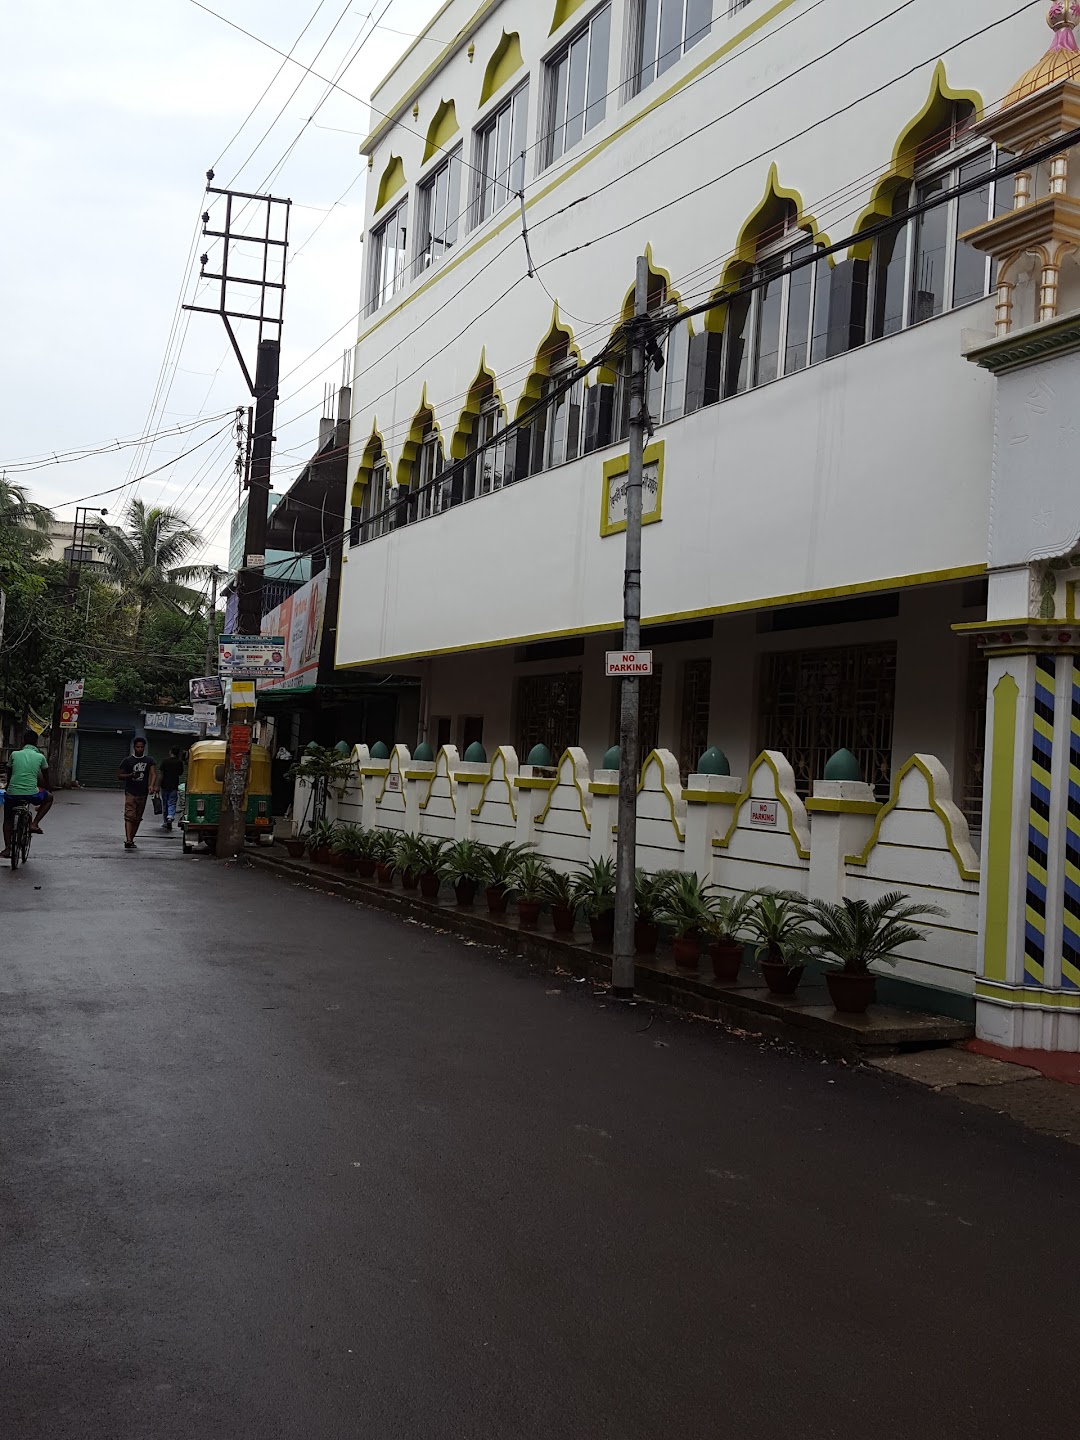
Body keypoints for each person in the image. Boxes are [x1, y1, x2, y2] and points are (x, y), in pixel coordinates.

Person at [1, 731, 53, 859]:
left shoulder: (14, 754)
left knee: (7, 819)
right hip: (32, 794)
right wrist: (47, 788)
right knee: (49, 798)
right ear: (36, 743)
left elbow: (10, 772)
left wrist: (8, 788)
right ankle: (34, 824)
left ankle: (8, 848)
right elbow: (46, 778)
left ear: (23, 742)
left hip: (12, 793)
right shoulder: (40, 757)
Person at [117, 737, 157, 851]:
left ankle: (131, 838)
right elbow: (119, 775)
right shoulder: (127, 761)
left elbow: (153, 773)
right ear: (134, 747)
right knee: (129, 816)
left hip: (143, 793)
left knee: (137, 818)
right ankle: (128, 840)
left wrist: (151, 785)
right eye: (138, 747)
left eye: (142, 747)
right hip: (130, 792)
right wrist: (130, 775)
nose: (140, 749)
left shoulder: (149, 760)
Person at [158, 747, 184, 831]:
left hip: (164, 785)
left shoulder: (165, 761)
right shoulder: (179, 762)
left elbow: (161, 774)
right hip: (174, 786)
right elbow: (180, 773)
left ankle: (166, 821)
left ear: (170, 752)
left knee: (165, 803)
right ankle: (170, 817)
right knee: (172, 803)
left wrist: (157, 785)